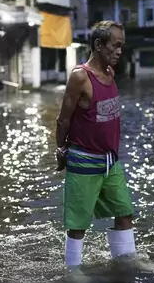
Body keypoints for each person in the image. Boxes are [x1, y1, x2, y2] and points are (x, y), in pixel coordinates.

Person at [55, 20, 136, 268]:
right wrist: (61, 151)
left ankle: (127, 261)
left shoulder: (110, 74)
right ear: (99, 45)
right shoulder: (80, 77)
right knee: (78, 224)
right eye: (116, 45)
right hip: (84, 161)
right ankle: (73, 268)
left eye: (122, 46)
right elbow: (63, 120)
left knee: (124, 212)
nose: (120, 51)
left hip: (110, 162)